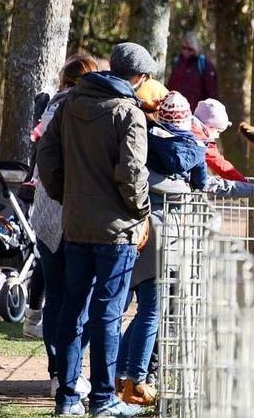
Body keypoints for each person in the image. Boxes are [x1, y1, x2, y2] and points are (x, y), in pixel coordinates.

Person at [37, 42, 155, 416]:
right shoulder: (128, 112)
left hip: (76, 225)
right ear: (137, 77)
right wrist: (142, 212)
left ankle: (67, 398)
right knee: (107, 313)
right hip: (116, 230)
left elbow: (47, 159)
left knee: (73, 310)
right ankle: (103, 400)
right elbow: (133, 174)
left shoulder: (70, 104)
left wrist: (65, 197)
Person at [29, 55, 99, 400]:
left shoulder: (50, 108)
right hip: (72, 213)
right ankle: (70, 371)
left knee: (57, 297)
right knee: (79, 298)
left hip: (45, 214)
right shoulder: (80, 110)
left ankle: (59, 372)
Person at [167, 31, 218, 110]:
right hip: (176, 111)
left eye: (190, 49)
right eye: (184, 48)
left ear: (196, 48)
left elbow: (212, 94)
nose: (186, 51)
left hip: (195, 113)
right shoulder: (177, 62)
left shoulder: (204, 65)